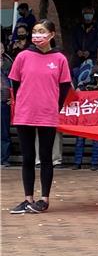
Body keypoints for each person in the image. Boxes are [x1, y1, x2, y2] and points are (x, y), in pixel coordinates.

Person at [8, 20, 71, 214]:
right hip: (25, 113)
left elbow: (64, 87)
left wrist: (54, 106)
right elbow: (16, 83)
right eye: (35, 32)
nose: (37, 35)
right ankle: (28, 199)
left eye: (42, 32)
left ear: (51, 34)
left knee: (45, 157)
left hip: (47, 114)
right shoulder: (23, 56)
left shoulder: (59, 58)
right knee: (27, 157)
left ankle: (44, 199)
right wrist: (23, 102)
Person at [72, 69, 98, 170]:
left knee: (96, 142)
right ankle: (77, 162)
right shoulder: (84, 86)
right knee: (79, 141)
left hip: (97, 118)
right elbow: (76, 94)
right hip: (84, 117)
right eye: (96, 75)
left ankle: (95, 163)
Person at [70, 6, 98, 77]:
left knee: (90, 74)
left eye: (90, 13)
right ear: (83, 14)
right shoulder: (77, 27)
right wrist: (77, 50)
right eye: (86, 13)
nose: (88, 15)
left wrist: (89, 51)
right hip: (78, 56)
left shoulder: (96, 27)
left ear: (93, 15)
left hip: (92, 56)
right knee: (76, 73)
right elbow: (73, 39)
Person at [1, 41, 12, 168]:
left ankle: (4, 158)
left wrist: (12, 99)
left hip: (3, 102)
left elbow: (13, 82)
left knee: (4, 132)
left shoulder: (8, 63)